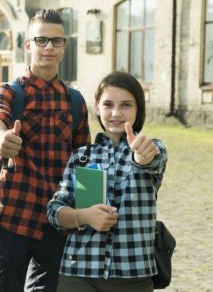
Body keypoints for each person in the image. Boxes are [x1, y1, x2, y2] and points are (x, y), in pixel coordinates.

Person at [0, 9, 91, 291]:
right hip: (13, 217)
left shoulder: (76, 101)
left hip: (57, 222)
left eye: (56, 41)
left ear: (64, 46)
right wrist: (2, 140)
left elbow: (85, 164)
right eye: (41, 40)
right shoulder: (8, 91)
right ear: (28, 44)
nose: (49, 48)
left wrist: (89, 216)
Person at [47, 71, 168, 292]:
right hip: (78, 274)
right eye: (108, 104)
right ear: (98, 107)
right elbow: (54, 211)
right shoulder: (81, 157)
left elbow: (149, 159)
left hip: (133, 275)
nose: (115, 113)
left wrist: (142, 155)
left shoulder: (153, 148)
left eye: (126, 105)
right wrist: (83, 216)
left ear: (138, 108)